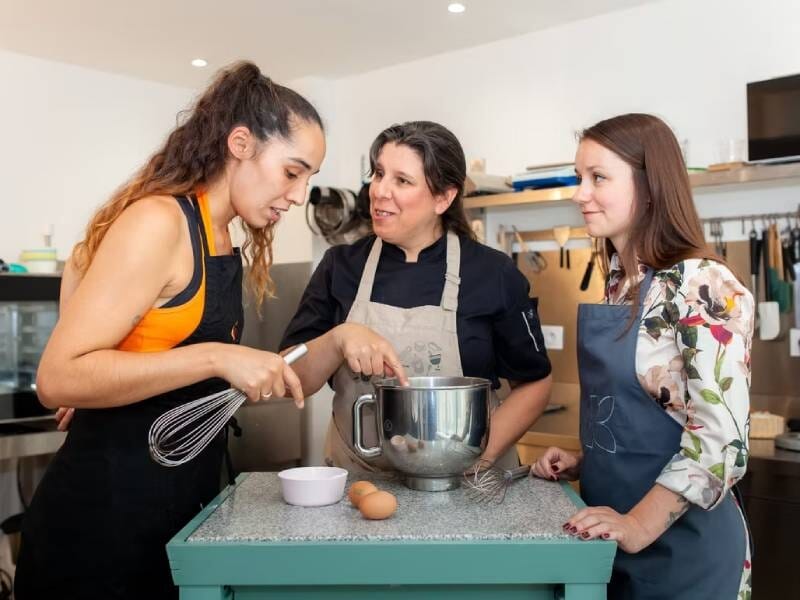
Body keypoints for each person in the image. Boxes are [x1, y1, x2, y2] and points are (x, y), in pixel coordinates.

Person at [15, 61, 325, 600]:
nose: (298, 196)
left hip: (176, 514)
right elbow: (57, 378)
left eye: (308, 179)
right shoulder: (161, 221)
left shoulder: (222, 235)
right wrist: (214, 358)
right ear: (241, 143)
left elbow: (85, 261)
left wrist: (109, 363)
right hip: (100, 532)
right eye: (292, 172)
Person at [532, 113, 753, 599]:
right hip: (615, 542)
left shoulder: (702, 284)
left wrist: (636, 524)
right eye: (578, 178)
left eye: (598, 178)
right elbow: (648, 415)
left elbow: (723, 445)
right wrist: (586, 461)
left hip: (685, 553)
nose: (578, 194)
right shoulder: (621, 284)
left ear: (650, 187)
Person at [281, 120, 552, 473]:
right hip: (361, 481)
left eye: (402, 181)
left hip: (465, 488)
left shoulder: (492, 273)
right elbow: (289, 377)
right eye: (378, 174)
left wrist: (476, 458)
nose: (379, 191)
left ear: (444, 197)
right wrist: (338, 339)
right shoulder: (341, 266)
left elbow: (535, 383)